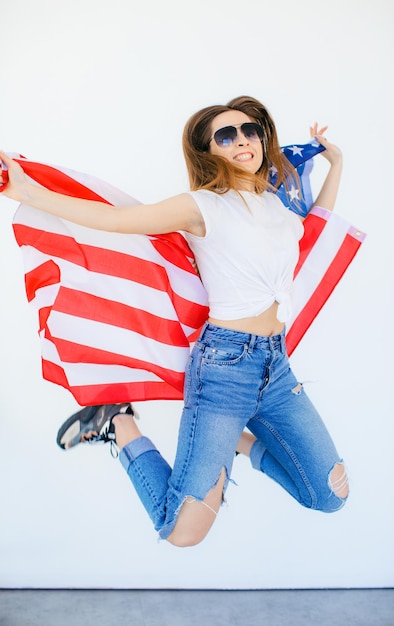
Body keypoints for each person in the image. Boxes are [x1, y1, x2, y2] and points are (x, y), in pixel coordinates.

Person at [0, 95, 348, 547]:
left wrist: (335, 163)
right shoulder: (203, 205)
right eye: (227, 135)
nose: (243, 140)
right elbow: (118, 220)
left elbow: (315, 224)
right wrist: (29, 193)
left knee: (330, 494)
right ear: (210, 151)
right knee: (182, 531)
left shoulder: (278, 203)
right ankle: (119, 423)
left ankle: (236, 442)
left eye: (250, 130)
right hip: (224, 371)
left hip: (276, 368)